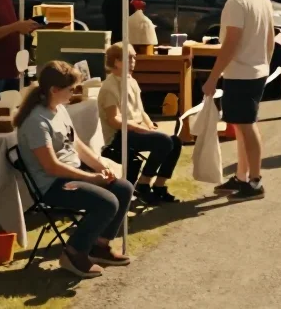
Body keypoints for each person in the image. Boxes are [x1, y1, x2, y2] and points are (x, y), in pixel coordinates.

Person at [17, 60, 133, 279]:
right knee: (107, 202)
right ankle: (73, 253)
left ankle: (98, 246)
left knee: (123, 188)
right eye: (71, 89)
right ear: (54, 90)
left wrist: (102, 167)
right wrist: (91, 177)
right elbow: (51, 167)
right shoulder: (36, 122)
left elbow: (77, 144)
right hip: (53, 185)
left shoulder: (59, 109)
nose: (74, 93)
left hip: (70, 176)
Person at [203, 0, 275, 201]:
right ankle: (242, 176)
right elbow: (271, 36)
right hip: (256, 70)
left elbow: (230, 44)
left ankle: (254, 181)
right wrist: (264, 63)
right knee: (244, 126)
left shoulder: (237, 2)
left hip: (242, 73)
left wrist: (213, 77)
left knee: (246, 126)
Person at [98, 43, 182, 204]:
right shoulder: (109, 87)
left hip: (136, 130)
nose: (133, 62)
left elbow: (141, 110)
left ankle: (159, 186)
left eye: (134, 58)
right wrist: (141, 129)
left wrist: (149, 125)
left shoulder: (132, 81)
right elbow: (114, 120)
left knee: (175, 141)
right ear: (116, 62)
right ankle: (143, 185)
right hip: (119, 135)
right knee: (163, 141)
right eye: (129, 58)